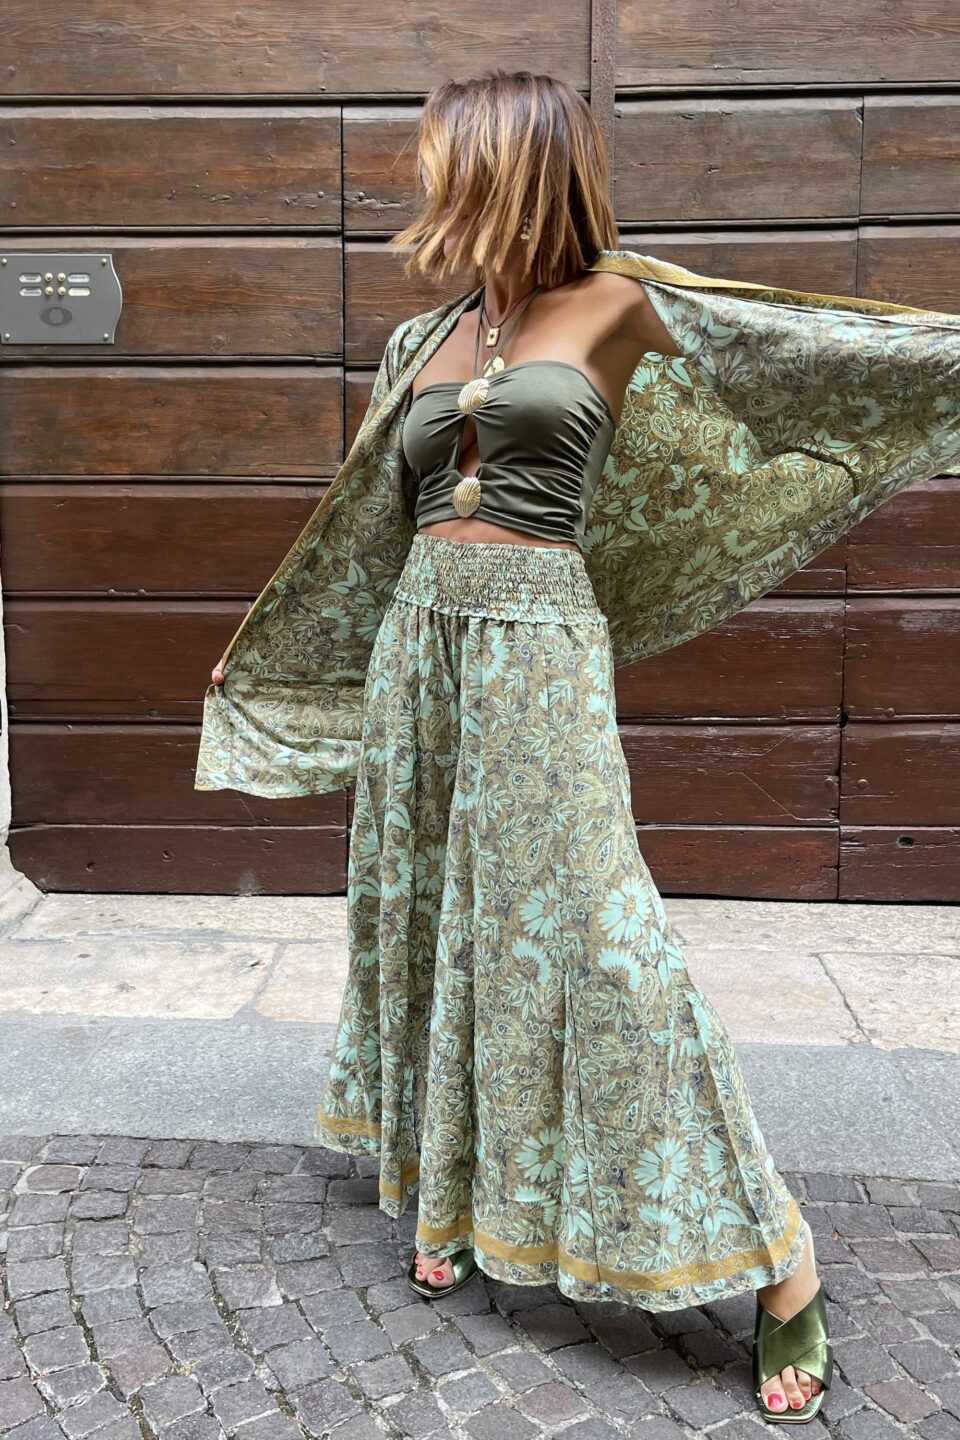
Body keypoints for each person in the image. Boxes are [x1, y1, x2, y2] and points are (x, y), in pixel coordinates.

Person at [200, 69, 960, 1429]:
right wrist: (275, 653)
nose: (426, 185)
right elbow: (359, 532)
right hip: (418, 649)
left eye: (445, 162)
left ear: (511, 167)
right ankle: (453, 1196)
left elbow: (813, 364)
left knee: (606, 942)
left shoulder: (622, 304)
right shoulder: (424, 339)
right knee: (434, 913)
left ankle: (780, 1262)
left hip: (540, 646)